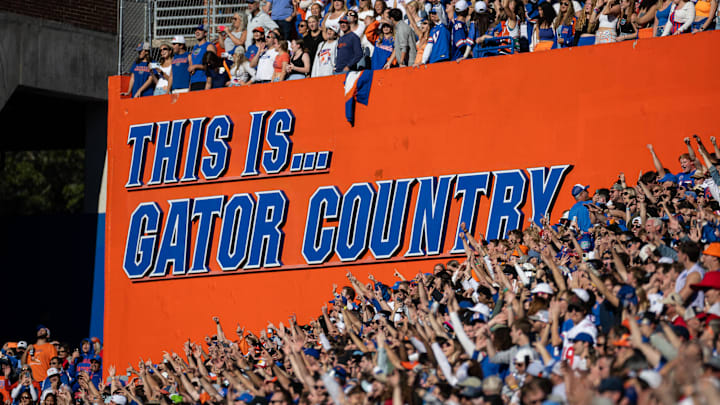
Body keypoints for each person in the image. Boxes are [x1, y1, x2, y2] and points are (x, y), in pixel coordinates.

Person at [188, 25, 217, 91]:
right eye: (195, 30)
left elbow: (213, 66)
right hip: (194, 81)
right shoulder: (195, 47)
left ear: (205, 33)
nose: (197, 32)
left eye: (200, 30)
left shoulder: (209, 46)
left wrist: (196, 66)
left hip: (204, 80)